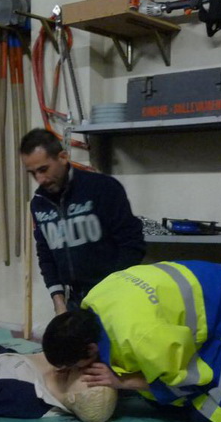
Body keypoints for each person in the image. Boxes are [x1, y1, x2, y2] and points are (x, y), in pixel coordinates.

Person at [41, 260, 221, 422]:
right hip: (205, 294)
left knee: (218, 414)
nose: (76, 371)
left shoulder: (142, 338)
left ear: (90, 349)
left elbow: (191, 382)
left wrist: (122, 382)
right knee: (161, 404)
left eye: (74, 365)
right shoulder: (92, 302)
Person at [19, 128, 145, 315]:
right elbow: (46, 255)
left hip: (116, 296)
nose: (40, 179)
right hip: (75, 301)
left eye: (43, 169)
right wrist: (58, 301)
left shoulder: (102, 188)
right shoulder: (39, 204)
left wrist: (111, 291)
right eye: (33, 173)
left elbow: (132, 244)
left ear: (63, 157)